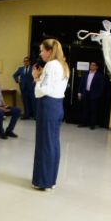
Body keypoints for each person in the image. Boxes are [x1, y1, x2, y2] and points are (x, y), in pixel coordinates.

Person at [32, 39, 69, 191]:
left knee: (45, 144)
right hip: (57, 105)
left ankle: (43, 182)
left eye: (42, 50)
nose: (40, 53)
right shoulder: (63, 65)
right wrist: (42, 76)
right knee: (53, 143)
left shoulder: (51, 65)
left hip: (47, 106)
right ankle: (50, 180)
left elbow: (43, 89)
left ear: (49, 51)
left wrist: (36, 77)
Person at [77, 61, 104, 129]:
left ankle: (92, 124)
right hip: (85, 93)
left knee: (93, 110)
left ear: (96, 67)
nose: (91, 66)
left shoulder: (99, 75)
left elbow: (101, 86)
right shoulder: (86, 74)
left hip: (94, 95)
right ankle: (84, 123)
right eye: (91, 65)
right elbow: (82, 83)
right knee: (85, 109)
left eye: (93, 65)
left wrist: (98, 95)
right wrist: (79, 93)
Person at [13, 55, 36, 120]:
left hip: (32, 88)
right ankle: (26, 115)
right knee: (25, 102)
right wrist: (17, 80)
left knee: (34, 102)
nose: (26, 62)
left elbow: (37, 76)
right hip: (23, 88)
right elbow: (14, 75)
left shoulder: (33, 68)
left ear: (29, 62)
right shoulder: (20, 69)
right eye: (24, 61)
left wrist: (35, 81)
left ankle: (35, 116)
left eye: (27, 61)